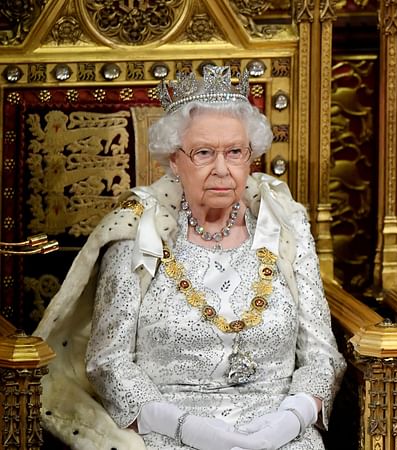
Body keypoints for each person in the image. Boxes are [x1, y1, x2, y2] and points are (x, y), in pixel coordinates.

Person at [34, 65, 346, 450]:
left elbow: (321, 354)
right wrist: (188, 429)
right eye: (203, 153)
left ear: (251, 158)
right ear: (173, 161)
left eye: (235, 152)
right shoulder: (137, 232)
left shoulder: (285, 228)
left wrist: (285, 424)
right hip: (168, 435)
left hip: (282, 434)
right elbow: (108, 361)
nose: (221, 169)